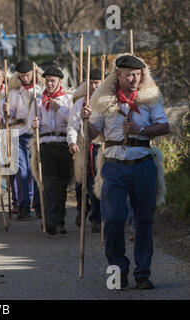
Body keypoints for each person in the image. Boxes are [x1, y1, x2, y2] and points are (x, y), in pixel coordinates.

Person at [82, 54, 169, 289]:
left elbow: (165, 126)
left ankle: (143, 274)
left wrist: (141, 129)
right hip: (113, 167)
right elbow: (91, 135)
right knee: (113, 220)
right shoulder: (102, 100)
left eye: (138, 74)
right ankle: (118, 271)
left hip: (142, 164)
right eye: (129, 74)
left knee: (144, 221)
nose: (134, 79)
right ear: (118, 75)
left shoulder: (149, 99)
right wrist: (85, 121)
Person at [31, 66, 73, 235]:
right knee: (49, 184)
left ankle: (60, 220)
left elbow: (74, 120)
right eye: (46, 80)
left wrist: (59, 109)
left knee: (61, 186)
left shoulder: (68, 99)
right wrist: (34, 124)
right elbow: (31, 123)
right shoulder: (38, 100)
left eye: (52, 81)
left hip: (63, 143)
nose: (48, 83)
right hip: (46, 143)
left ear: (59, 82)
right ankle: (49, 220)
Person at [3, 60, 43, 218]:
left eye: (27, 75)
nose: (25, 78)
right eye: (22, 76)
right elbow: (10, 115)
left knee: (36, 170)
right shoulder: (14, 93)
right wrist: (6, 111)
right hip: (18, 133)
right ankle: (23, 205)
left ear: (33, 73)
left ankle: (39, 205)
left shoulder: (40, 90)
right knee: (22, 170)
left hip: (35, 134)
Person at [67, 69, 103, 233]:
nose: (95, 86)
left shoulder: (106, 101)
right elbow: (72, 125)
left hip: (104, 147)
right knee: (88, 183)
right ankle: (94, 217)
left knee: (103, 183)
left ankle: (103, 216)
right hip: (86, 147)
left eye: (97, 83)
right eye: (92, 83)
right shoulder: (80, 103)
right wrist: (72, 142)